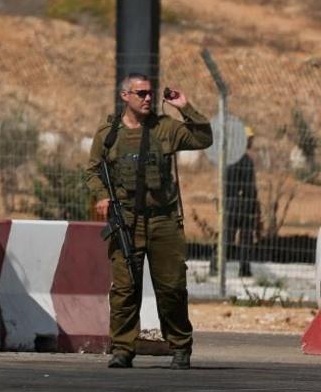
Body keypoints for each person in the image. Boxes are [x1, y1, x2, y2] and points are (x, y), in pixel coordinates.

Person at [84, 73, 213, 369]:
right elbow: (92, 171)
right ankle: (122, 348)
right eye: (140, 93)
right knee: (125, 288)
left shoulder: (165, 128)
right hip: (126, 219)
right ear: (124, 96)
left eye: (149, 94)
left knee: (171, 287)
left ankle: (180, 346)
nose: (147, 99)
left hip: (163, 221)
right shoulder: (109, 133)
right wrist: (101, 196)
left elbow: (204, 137)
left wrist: (185, 107)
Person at [223, 126, 261, 278]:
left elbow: (225, 185)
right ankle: (244, 269)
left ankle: (215, 265)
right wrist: (254, 207)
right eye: (250, 139)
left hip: (230, 204)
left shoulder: (229, 159)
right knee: (246, 239)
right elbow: (250, 187)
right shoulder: (247, 161)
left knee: (226, 238)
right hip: (244, 205)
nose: (251, 142)